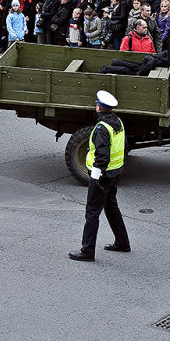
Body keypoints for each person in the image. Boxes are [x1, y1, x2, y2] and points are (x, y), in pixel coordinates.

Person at [69, 90, 130, 262]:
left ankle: (87, 251)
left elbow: (102, 156)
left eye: (97, 104)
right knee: (111, 206)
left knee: (92, 212)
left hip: (102, 176)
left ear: (99, 108)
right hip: (115, 172)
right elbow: (123, 146)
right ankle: (122, 242)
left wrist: (96, 177)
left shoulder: (102, 128)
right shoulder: (118, 122)